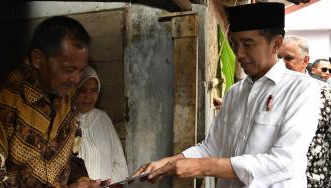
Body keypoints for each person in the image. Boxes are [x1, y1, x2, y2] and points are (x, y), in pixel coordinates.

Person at [134, 3, 320, 187]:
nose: (239, 53)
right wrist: (167, 164)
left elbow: (285, 162)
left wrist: (203, 167)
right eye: (234, 44)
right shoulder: (235, 93)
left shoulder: (302, 89)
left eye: (248, 44)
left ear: (276, 44)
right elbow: (212, 147)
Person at [0, 16, 104, 187]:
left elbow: (72, 155)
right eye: (68, 69)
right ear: (38, 58)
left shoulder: (68, 99)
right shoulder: (4, 101)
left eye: (81, 70)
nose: (76, 79)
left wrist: (82, 181)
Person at [279, 35, 331, 187]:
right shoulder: (268, 91)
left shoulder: (325, 94)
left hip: (314, 181)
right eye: (278, 58)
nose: (282, 64)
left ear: (305, 61)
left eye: (289, 58)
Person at [75, 66, 129, 183]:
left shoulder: (103, 119)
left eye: (94, 91)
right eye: (83, 90)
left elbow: (119, 164)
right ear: (74, 91)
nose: (88, 96)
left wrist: (105, 185)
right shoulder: (65, 121)